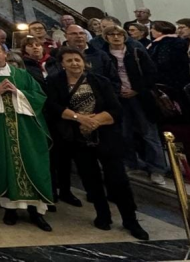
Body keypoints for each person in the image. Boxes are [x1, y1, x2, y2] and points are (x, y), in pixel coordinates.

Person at [45, 47, 149, 241]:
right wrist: (79, 118)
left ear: (83, 61)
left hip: (106, 136)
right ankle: (103, 215)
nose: (74, 63)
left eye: (77, 59)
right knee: (90, 179)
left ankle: (130, 219)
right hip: (77, 138)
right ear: (62, 64)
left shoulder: (100, 81)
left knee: (118, 179)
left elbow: (115, 109)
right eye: (69, 60)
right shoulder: (54, 82)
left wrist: (94, 121)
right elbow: (53, 107)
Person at [0, 41, 53, 231]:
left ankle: (36, 212)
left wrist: (18, 92)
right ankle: (10, 209)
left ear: (4, 53)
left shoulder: (21, 74)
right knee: (4, 165)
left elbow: (39, 96)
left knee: (33, 164)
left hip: (26, 130)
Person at [102, 24, 167, 185]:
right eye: (111, 34)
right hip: (118, 98)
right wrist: (116, 91)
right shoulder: (103, 54)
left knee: (149, 133)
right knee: (124, 132)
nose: (116, 37)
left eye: (119, 34)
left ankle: (157, 168)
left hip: (141, 97)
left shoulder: (136, 51)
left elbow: (151, 73)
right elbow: (103, 77)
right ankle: (132, 163)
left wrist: (136, 90)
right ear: (106, 37)